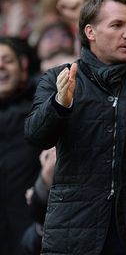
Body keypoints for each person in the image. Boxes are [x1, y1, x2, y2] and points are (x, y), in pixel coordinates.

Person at [24, 0, 126, 255]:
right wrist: (60, 104)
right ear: (90, 32)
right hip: (74, 231)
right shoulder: (57, 79)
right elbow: (36, 136)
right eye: (117, 25)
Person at [0, 39, 40, 255]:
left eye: (8, 61)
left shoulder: (41, 115)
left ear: (23, 69)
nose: (1, 66)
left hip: (33, 237)